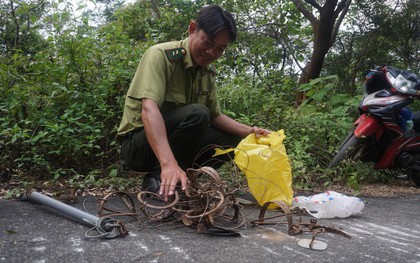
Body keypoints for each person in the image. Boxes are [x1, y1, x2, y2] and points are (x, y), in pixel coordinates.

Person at [116, 5, 270, 201]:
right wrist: (167, 163)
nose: (211, 52)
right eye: (207, 43)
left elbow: (215, 117)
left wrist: (251, 132)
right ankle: (157, 181)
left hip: (171, 146)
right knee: (197, 113)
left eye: (220, 48)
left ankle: (181, 178)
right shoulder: (161, 56)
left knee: (234, 141)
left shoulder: (206, 72)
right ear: (192, 29)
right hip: (138, 146)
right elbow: (148, 109)